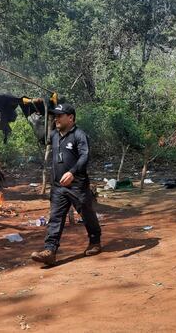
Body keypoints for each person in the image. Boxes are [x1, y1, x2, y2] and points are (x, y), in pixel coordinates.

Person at [31, 103, 102, 265]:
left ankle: (95, 241)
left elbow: (85, 156)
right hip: (58, 186)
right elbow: (42, 137)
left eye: (59, 115)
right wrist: (36, 120)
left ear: (70, 118)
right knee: (55, 217)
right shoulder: (55, 135)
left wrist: (72, 172)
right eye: (55, 115)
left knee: (86, 213)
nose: (56, 118)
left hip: (77, 184)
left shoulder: (79, 135)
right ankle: (50, 251)